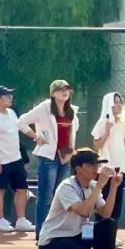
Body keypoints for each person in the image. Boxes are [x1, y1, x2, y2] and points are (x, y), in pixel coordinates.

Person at [38, 148, 121, 249]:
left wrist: (113, 187)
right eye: (90, 165)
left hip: (79, 234)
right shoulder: (67, 187)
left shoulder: (93, 186)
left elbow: (106, 213)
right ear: (78, 169)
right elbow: (83, 211)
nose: (95, 168)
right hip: (54, 239)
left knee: (108, 225)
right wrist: (100, 185)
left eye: (96, 164)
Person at [18, 80, 80, 239]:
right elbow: (21, 121)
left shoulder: (72, 110)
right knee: (45, 197)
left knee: (62, 197)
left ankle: (57, 233)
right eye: (60, 89)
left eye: (67, 89)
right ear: (52, 93)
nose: (65, 92)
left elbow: (73, 132)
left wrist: (72, 148)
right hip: (48, 158)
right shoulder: (44, 108)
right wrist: (36, 136)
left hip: (66, 158)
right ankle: (42, 234)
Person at [0, 86, 38, 233]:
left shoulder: (12, 113)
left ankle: (21, 220)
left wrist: (36, 137)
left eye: (10, 95)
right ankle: (1, 221)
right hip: (0, 161)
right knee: (0, 190)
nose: (11, 98)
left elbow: (22, 128)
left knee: (22, 189)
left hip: (16, 159)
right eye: (7, 96)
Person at [92, 92, 125, 245]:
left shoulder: (121, 123)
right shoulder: (102, 122)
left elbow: (123, 143)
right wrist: (106, 131)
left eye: (120, 102)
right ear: (108, 104)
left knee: (117, 205)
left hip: (120, 169)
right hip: (106, 169)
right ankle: (100, 235)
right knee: (103, 203)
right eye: (115, 102)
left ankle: (111, 235)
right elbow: (97, 145)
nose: (118, 105)